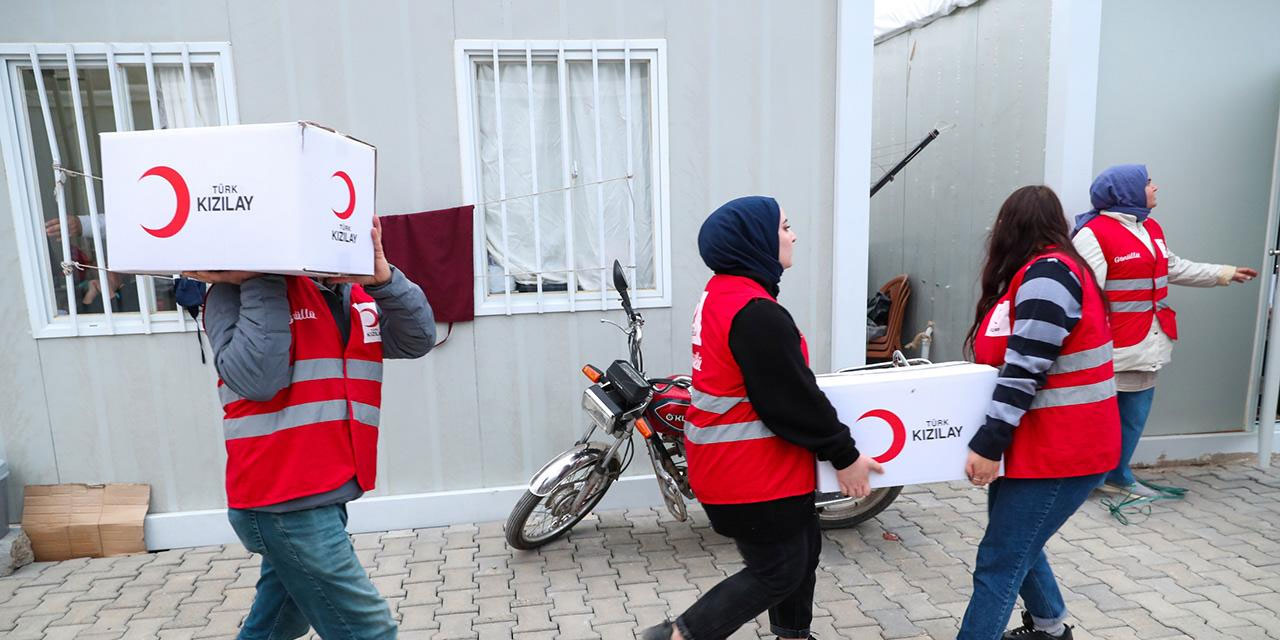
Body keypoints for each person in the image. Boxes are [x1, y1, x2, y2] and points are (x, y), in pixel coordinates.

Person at [642, 196, 883, 640]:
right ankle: (680, 634)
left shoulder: (722, 293)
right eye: (785, 227)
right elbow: (791, 400)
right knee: (777, 571)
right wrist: (845, 456)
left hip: (745, 468)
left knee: (803, 553)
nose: (793, 236)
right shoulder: (755, 313)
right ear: (755, 240)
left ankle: (793, 635)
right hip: (750, 474)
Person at [189, 214, 435, 640]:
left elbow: (416, 339)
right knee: (368, 630)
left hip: (327, 488)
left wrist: (384, 280)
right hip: (282, 498)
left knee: (277, 624)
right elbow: (257, 379)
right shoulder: (231, 292)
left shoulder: (350, 293)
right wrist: (262, 273)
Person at [960, 185, 1122, 640]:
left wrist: (988, 443)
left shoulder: (1048, 276)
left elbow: (1023, 369)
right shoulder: (1052, 270)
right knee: (1018, 543)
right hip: (1048, 445)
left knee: (1000, 560)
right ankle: (1050, 627)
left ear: (1012, 227)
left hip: (1061, 451)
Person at [1072, 165, 1257, 498]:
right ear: (1126, 191)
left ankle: (1117, 475)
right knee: (1096, 419)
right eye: (1147, 183)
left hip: (1149, 342)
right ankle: (1081, 482)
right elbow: (1085, 296)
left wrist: (1224, 273)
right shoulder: (1093, 234)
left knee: (1134, 415)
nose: (1156, 187)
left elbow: (1173, 266)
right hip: (1112, 347)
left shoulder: (1150, 227)